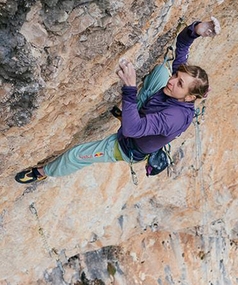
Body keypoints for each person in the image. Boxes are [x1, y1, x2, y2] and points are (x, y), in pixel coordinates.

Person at [15, 18, 220, 184]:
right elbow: (182, 45)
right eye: (177, 77)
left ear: (190, 97)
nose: (173, 81)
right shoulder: (180, 91)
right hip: (146, 114)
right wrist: (197, 29)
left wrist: (130, 87)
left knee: (75, 156)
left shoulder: (174, 117)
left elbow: (132, 129)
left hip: (127, 144)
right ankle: (127, 111)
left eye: (180, 83)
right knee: (160, 72)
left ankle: (42, 172)